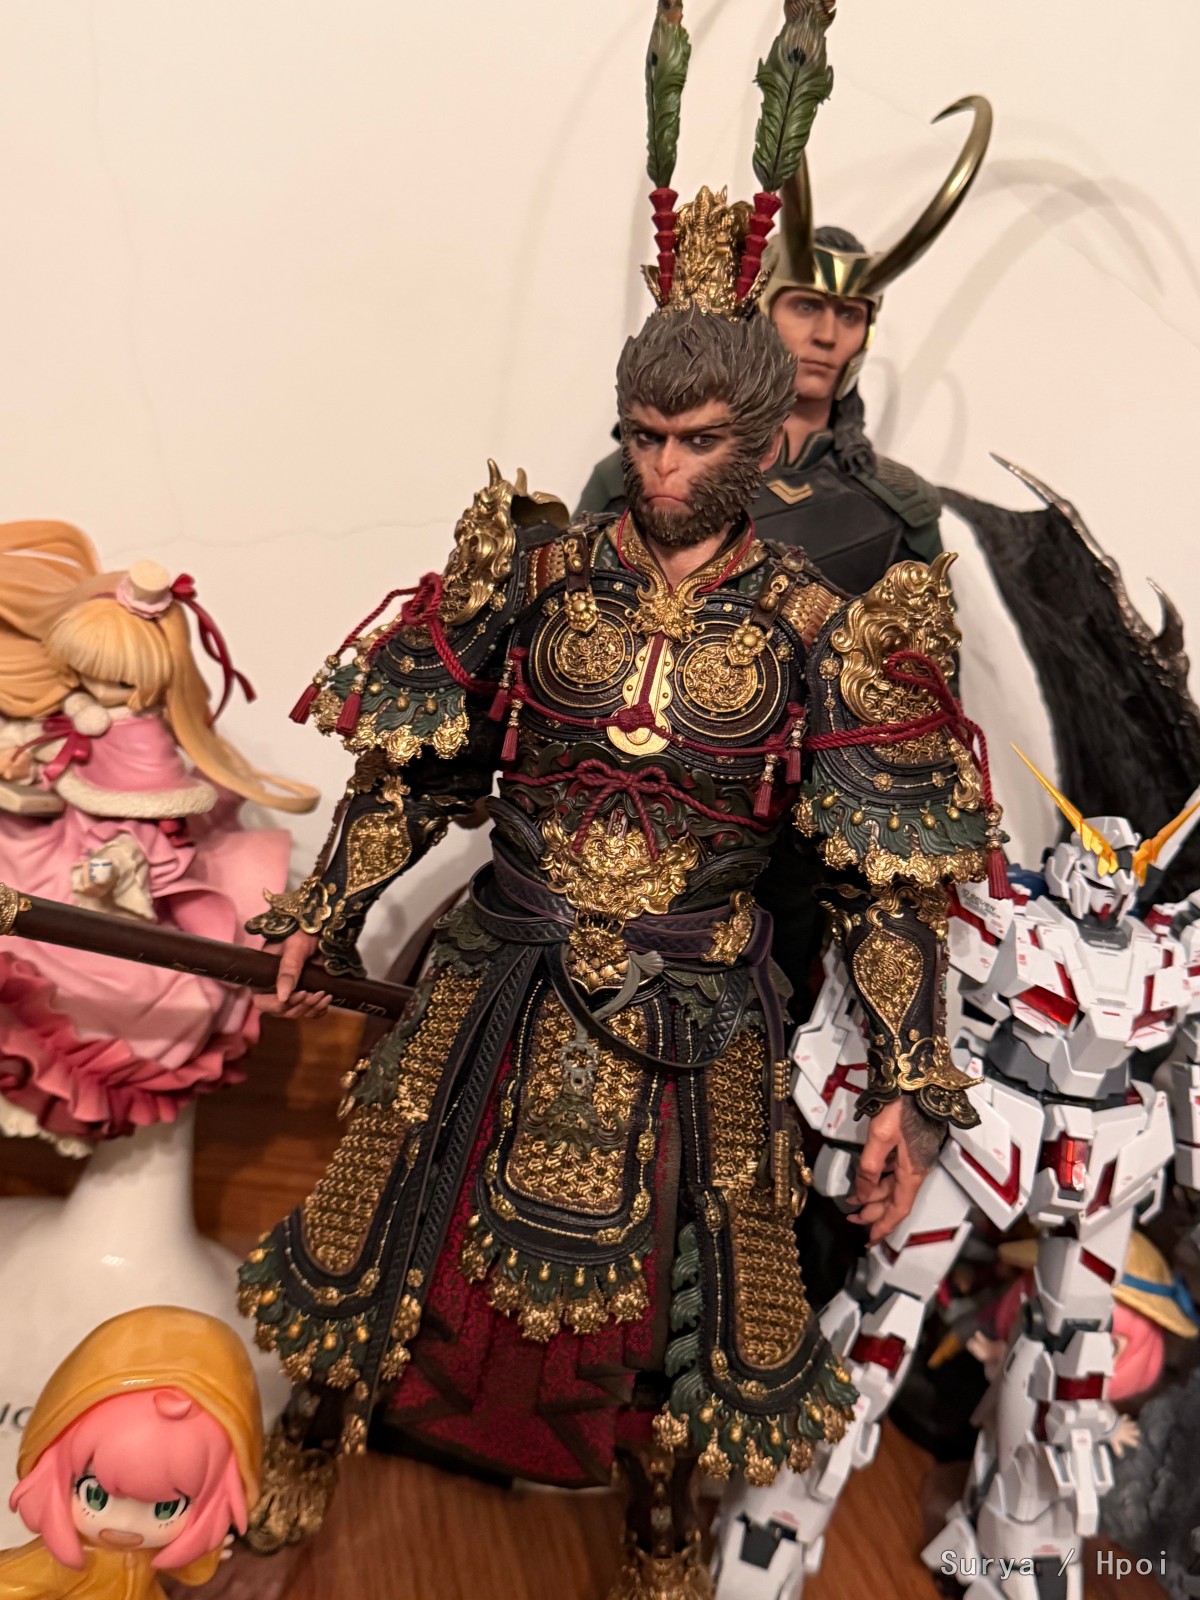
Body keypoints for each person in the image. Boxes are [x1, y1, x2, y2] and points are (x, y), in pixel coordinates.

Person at [236, 6, 1002, 1593]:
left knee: (702, 1273)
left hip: (701, 990)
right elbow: (420, 766)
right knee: (392, 1196)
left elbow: (886, 883)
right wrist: (324, 907)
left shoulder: (832, 622)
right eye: (641, 437)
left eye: (695, 440)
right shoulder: (537, 565)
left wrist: (911, 1083)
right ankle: (317, 1428)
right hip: (505, 956)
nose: (660, 470)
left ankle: (658, 1515)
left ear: (757, 439)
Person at [576, 97, 993, 598]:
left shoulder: (898, 504)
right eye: (806, 306)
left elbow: (928, 646)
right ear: (765, 311)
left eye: (849, 315)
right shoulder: (641, 477)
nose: (826, 335)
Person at [0, 1306, 262, 1599]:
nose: (125, 1525)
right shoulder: (61, 1562)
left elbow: (182, 1568)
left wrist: (204, 1548)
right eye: (95, 1496)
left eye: (166, 1509)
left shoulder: (147, 1552)